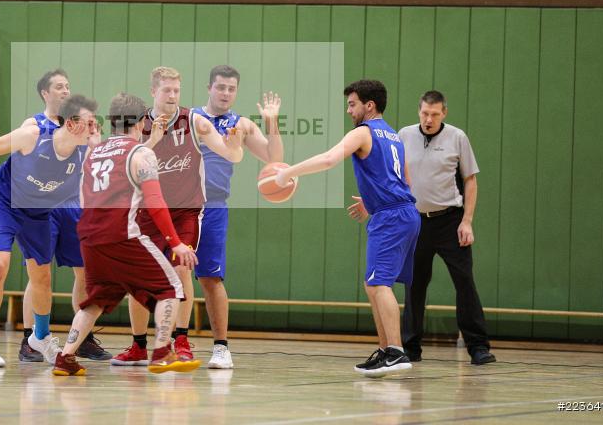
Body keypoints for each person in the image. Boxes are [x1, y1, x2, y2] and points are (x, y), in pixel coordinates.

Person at [275, 79, 420, 378]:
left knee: (379, 284)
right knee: (373, 283)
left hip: (392, 217)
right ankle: (385, 350)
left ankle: (396, 351)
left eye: (352, 104)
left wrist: (289, 172)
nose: (348, 110)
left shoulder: (363, 132)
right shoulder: (394, 136)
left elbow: (329, 159)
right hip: (401, 212)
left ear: (370, 105)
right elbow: (404, 180)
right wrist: (372, 201)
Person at [52, 93, 200, 376]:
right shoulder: (142, 153)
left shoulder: (94, 152)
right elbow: (155, 202)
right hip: (122, 234)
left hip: (89, 238)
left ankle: (65, 357)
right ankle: (162, 352)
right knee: (171, 289)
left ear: (112, 121)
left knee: (95, 301)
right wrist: (176, 243)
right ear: (142, 122)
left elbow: (83, 197)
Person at [0, 95, 97, 367]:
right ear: (72, 124)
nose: (95, 129)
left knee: (42, 277)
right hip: (4, 203)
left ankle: (41, 337)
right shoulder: (32, 137)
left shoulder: (83, 153)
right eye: (90, 123)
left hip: (37, 213)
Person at [111, 66, 244, 367]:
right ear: (153, 91)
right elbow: (122, 164)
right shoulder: (138, 124)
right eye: (166, 90)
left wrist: (235, 146)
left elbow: (231, 154)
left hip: (185, 211)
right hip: (147, 211)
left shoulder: (194, 121)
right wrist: (153, 141)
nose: (172, 96)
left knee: (182, 267)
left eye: (176, 90)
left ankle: (181, 340)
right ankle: (138, 345)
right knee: (138, 277)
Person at [381, 90, 495, 365]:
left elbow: (470, 181)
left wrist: (467, 221)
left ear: (444, 113)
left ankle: (478, 347)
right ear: (418, 111)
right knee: (414, 285)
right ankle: (410, 347)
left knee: (464, 282)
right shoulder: (404, 135)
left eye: (434, 114)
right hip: (415, 221)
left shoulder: (457, 137)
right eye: (424, 113)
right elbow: (393, 177)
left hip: (450, 221)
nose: (429, 119)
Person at [191, 65, 283, 369]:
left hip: (214, 206)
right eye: (220, 87)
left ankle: (221, 348)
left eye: (231, 89)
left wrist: (271, 123)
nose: (226, 93)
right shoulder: (191, 118)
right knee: (170, 275)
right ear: (209, 87)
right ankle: (168, 343)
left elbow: (274, 159)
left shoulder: (240, 124)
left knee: (211, 278)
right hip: (181, 206)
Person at [18, 70, 110, 363]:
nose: (65, 91)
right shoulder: (33, 126)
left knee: (84, 270)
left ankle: (81, 337)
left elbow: (94, 163)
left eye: (67, 86)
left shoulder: (81, 125)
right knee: (39, 273)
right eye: (59, 87)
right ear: (45, 93)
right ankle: (30, 339)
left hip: (72, 204)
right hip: (42, 205)